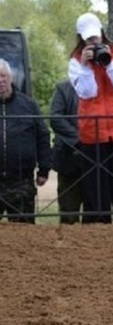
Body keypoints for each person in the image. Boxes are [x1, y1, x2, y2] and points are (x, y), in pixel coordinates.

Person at [68, 12, 113, 223]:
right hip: (93, 133)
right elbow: (87, 92)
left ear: (102, 32)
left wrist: (110, 64)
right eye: (89, 38)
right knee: (95, 189)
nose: (94, 41)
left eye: (96, 36)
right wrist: (85, 66)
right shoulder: (75, 61)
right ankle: (98, 228)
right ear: (81, 38)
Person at [0, 59, 51, 223]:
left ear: (10, 78)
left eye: (3, 76)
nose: (0, 81)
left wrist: (44, 169)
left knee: (24, 232)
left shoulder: (29, 105)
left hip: (22, 181)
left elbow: (43, 136)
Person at [49, 79, 83, 224]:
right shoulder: (63, 88)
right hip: (68, 157)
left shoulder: (102, 85)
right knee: (69, 214)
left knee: (96, 214)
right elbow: (55, 118)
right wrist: (80, 139)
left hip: (98, 157)